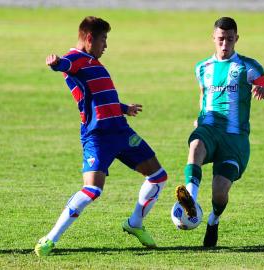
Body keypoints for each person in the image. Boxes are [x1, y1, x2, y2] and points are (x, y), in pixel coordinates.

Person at [35, 16, 167, 256]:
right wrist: (55, 62)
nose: (106, 45)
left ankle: (135, 223)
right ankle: (50, 239)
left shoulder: (93, 61)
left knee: (158, 176)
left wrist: (124, 108)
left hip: (121, 130)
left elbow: (102, 97)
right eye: (103, 39)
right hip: (97, 137)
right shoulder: (76, 58)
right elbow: (64, 65)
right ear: (89, 38)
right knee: (93, 190)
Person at [175, 17, 264, 247]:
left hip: (235, 139)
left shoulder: (249, 67)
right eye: (221, 39)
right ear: (213, 38)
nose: (225, 45)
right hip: (210, 128)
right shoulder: (202, 68)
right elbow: (204, 97)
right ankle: (190, 197)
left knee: (220, 192)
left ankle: (213, 220)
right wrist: (200, 119)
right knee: (195, 146)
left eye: (230, 39)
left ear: (237, 39)